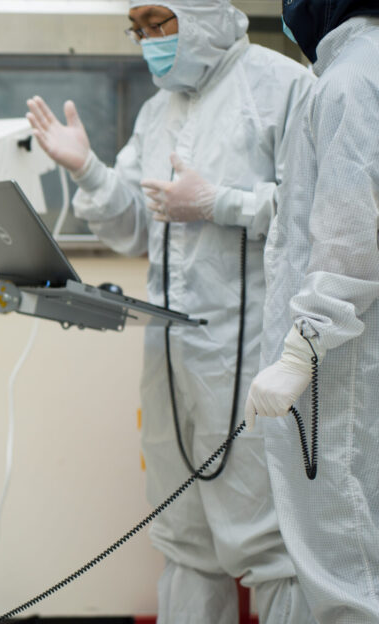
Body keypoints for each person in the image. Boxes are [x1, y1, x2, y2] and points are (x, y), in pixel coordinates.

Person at [25, 1, 315, 621]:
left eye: (161, 22)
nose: (148, 40)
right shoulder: (157, 112)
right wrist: (88, 169)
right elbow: (135, 229)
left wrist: (220, 202)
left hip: (253, 355)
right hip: (172, 359)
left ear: (204, 11)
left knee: (268, 544)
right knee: (183, 539)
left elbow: (317, 210)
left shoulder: (284, 86)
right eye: (139, 29)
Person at [244, 0, 379, 620]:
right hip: (353, 356)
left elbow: (349, 238)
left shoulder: (353, 78)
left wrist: (301, 349)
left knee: (346, 571)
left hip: (343, 369)